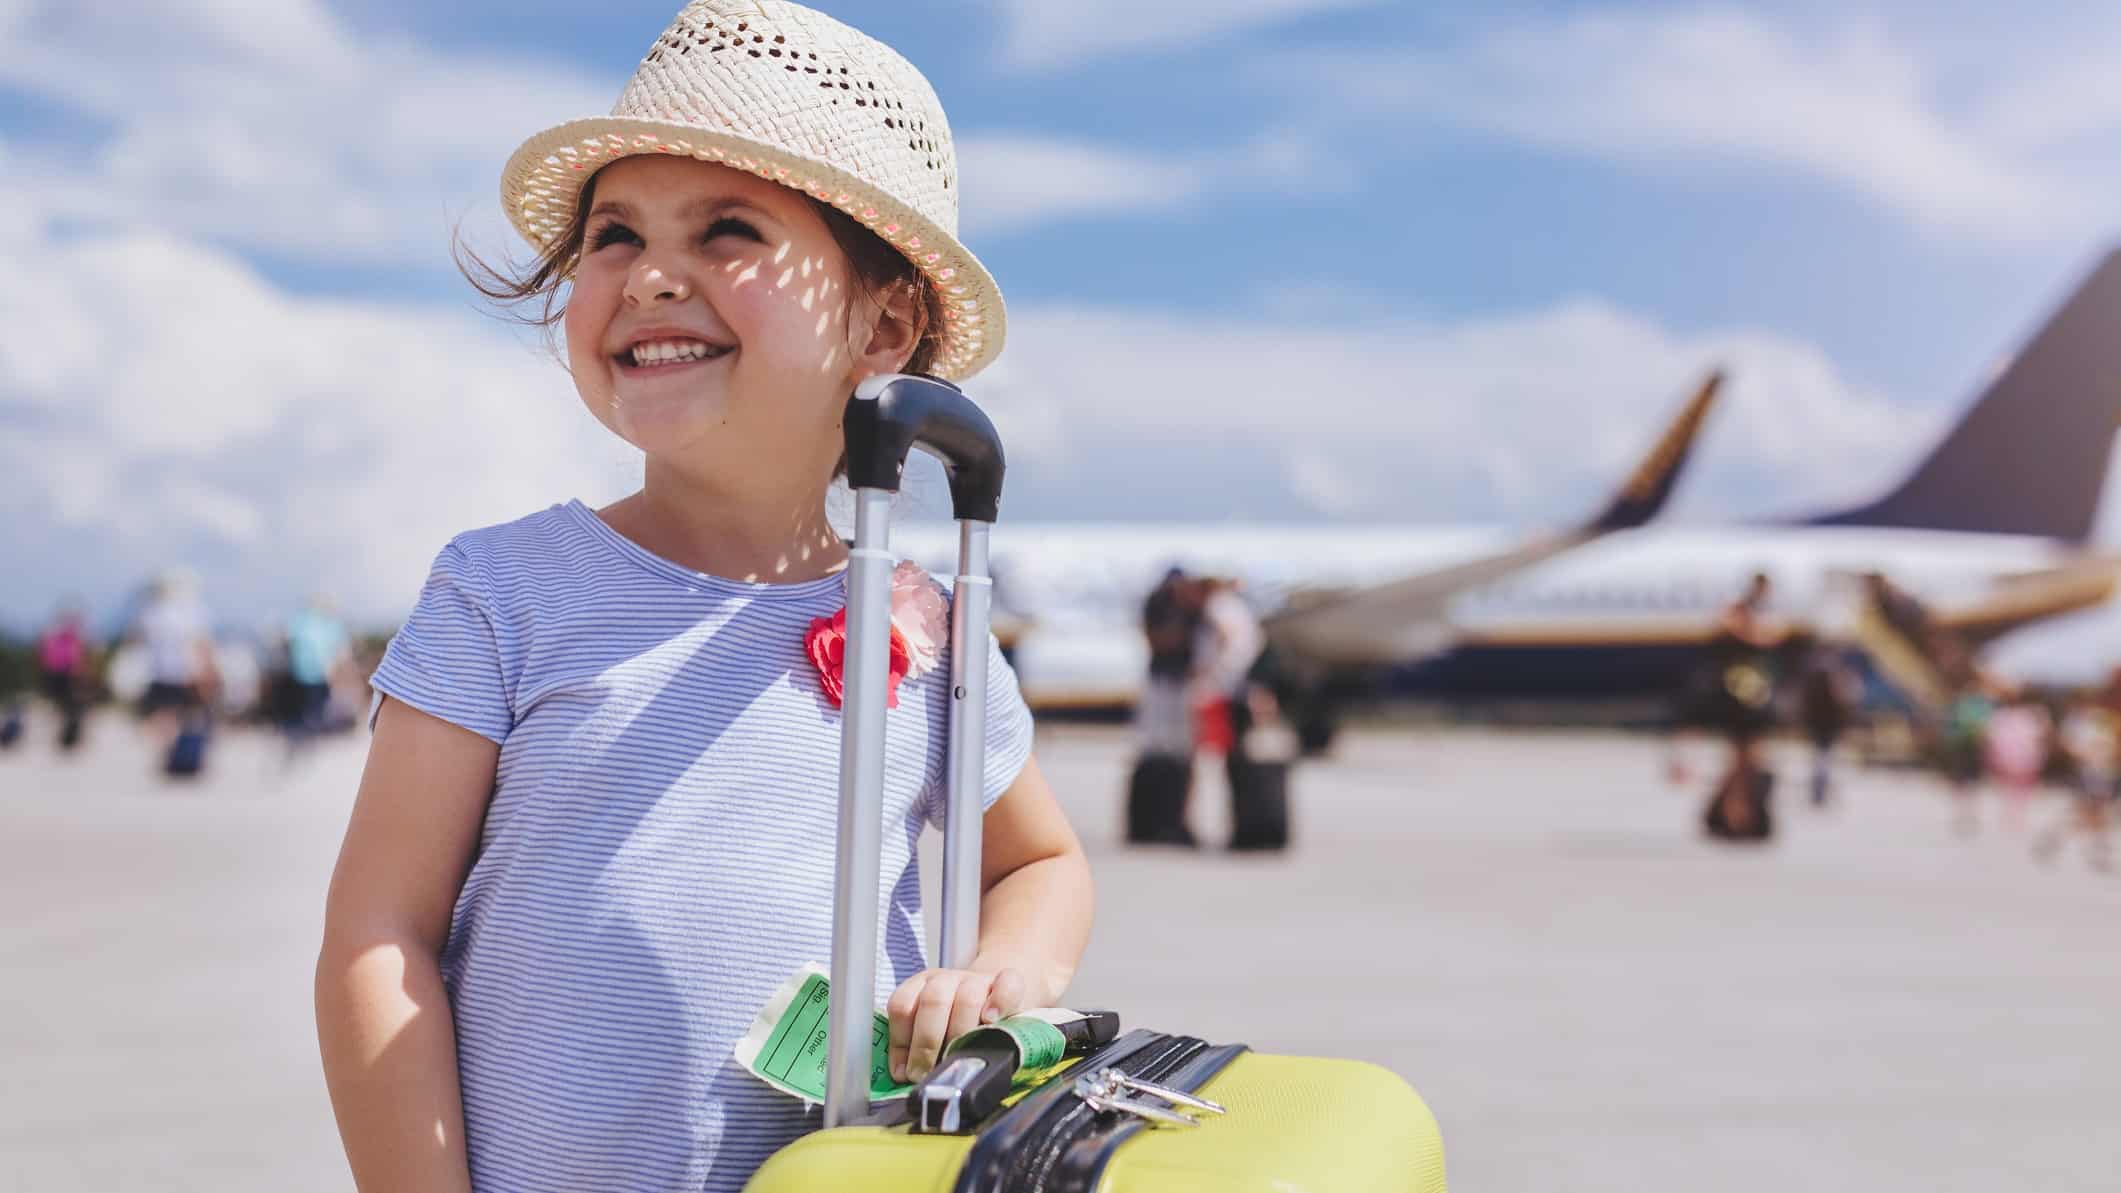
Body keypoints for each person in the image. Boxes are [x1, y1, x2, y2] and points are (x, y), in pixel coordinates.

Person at [314, 8, 1094, 1191]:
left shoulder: (927, 626)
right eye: (614, 236)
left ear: (881, 325)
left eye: (729, 230)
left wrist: (1006, 973)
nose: (652, 275)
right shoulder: (505, 589)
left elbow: (1040, 861)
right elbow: (381, 931)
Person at [1701, 571, 1783, 842]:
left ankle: (1732, 816)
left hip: (1752, 697)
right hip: (1737, 700)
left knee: (1749, 763)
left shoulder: (1756, 613)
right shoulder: (1738, 610)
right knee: (1740, 764)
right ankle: (1734, 819)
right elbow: (1737, 630)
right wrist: (1758, 634)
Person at [1127, 568, 1203, 846]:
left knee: (1178, 749)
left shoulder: (1189, 608)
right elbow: (1155, 636)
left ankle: (1170, 820)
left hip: (1179, 679)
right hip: (1163, 678)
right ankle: (1157, 821)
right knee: (1159, 745)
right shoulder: (1160, 604)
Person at [2035, 677, 2119, 870]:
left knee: (2092, 813)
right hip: (2087, 771)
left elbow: (2113, 744)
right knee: (2092, 812)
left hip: (2103, 770)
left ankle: (2057, 838)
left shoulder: (2103, 719)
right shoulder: (2078, 721)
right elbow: (2067, 745)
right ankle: (2097, 850)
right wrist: (2087, 753)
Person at [283, 593, 352, 755]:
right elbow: (340, 650)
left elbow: (289, 640)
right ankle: (312, 737)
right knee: (315, 706)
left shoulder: (303, 620)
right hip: (317, 672)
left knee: (310, 707)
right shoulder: (327, 623)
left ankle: (308, 737)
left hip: (303, 671)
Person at [1798, 643, 1861, 807]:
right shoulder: (1823, 676)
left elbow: (1843, 702)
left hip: (1826, 722)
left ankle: (1820, 784)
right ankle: (1820, 783)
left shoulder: (1832, 676)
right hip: (1821, 722)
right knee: (1822, 755)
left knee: (1822, 755)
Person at [35, 603, 92, 751]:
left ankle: (66, 738)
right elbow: (75, 658)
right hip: (61, 675)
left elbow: (47, 656)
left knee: (66, 708)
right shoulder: (64, 635)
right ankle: (65, 738)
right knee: (67, 708)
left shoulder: (58, 635)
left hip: (61, 675)